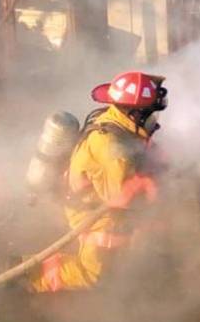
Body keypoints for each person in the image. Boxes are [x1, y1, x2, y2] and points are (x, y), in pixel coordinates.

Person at [29, 71, 167, 293]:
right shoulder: (113, 149)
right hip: (91, 212)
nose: (155, 122)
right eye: (150, 115)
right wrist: (150, 185)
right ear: (135, 113)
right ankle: (30, 276)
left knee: (130, 244)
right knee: (93, 274)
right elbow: (120, 200)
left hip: (96, 198)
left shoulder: (117, 120)